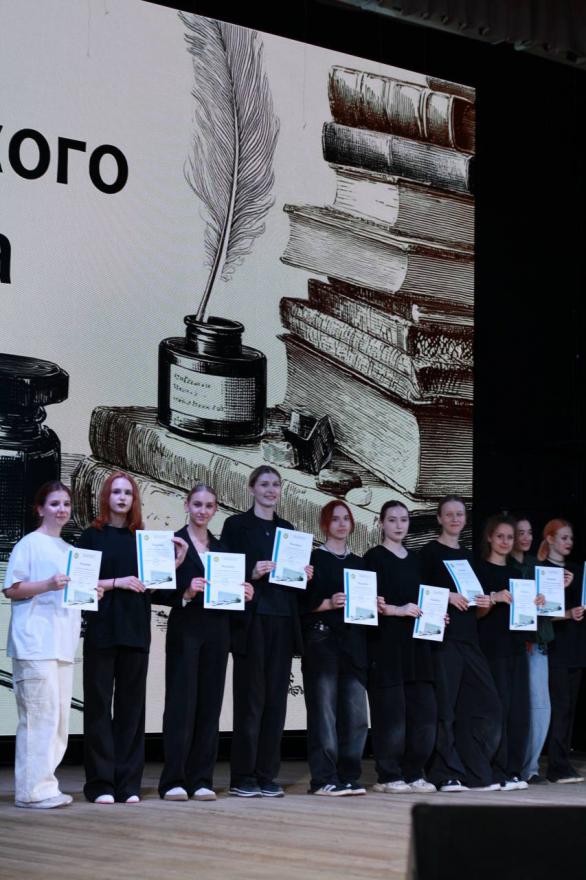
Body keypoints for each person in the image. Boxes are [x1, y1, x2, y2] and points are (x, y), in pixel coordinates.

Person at [78, 470, 186, 804]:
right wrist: (116, 583)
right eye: (116, 492)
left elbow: (152, 588)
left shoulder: (143, 540)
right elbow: (80, 584)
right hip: (101, 631)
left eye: (127, 493)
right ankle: (100, 784)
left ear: (134, 500)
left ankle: (127, 784)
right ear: (106, 497)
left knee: (132, 711)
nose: (122, 498)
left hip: (135, 632)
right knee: (98, 709)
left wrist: (176, 563)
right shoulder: (91, 537)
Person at [220, 466, 313, 798]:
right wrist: (251, 571)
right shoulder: (236, 526)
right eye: (264, 484)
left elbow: (295, 585)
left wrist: (304, 574)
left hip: (283, 621)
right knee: (250, 700)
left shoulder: (288, 531)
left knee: (276, 701)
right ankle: (243, 775)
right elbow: (224, 572)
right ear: (251, 488)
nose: (270, 490)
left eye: (275, 484)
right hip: (252, 622)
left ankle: (266, 774)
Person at [158, 483, 253, 802]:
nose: (202, 511)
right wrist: (185, 592)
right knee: (180, 704)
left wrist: (245, 593)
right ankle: (173, 780)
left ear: (215, 510)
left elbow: (231, 592)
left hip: (217, 630)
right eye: (197, 504)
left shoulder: (223, 549)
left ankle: (201, 779)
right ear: (187, 505)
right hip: (186, 628)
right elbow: (155, 590)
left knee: (210, 705)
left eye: (209, 506)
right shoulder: (173, 543)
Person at [3, 482, 90, 809]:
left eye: (66, 503)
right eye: (54, 503)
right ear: (40, 509)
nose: (61, 509)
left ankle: (45, 785)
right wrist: (47, 584)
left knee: (57, 720)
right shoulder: (29, 544)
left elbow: (72, 593)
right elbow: (12, 589)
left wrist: (89, 593)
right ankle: (31, 791)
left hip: (62, 644)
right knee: (39, 717)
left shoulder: (70, 550)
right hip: (34, 643)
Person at [420, 495, 502, 792]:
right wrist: (447, 596)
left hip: (470, 640)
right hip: (444, 641)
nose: (455, 519)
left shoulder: (468, 557)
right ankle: (444, 773)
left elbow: (476, 608)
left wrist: (486, 604)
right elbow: (419, 593)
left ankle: (475, 770)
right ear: (439, 519)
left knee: (486, 705)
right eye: (449, 514)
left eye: (460, 514)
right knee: (446, 709)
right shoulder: (429, 553)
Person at [364, 501, 437, 795]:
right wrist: (398, 610)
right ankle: (388, 775)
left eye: (403, 520)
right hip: (387, 647)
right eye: (392, 519)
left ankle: (414, 772)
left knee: (423, 715)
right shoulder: (373, 558)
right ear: (381, 523)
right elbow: (366, 604)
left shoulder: (417, 561)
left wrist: (435, 617)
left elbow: (425, 599)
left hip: (418, 648)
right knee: (391, 715)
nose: (398, 525)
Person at [300, 500, 368, 796]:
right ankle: (324, 779)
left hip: (354, 642)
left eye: (346, 519)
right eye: (335, 519)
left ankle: (349, 775)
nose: (341, 524)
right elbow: (300, 604)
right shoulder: (313, 559)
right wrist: (328, 603)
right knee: (324, 713)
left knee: (356, 714)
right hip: (322, 640)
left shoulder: (360, 564)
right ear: (324, 524)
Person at [476, 514, 534, 791]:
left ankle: (513, 770)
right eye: (500, 536)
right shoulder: (479, 570)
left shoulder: (517, 574)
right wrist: (494, 598)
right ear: (489, 537)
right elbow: (477, 613)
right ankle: (495, 769)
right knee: (498, 709)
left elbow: (525, 616)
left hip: (516, 648)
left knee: (519, 710)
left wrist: (535, 603)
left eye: (510, 537)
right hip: (492, 649)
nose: (505, 541)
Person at [537, 519, 585, 784]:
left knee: (570, 708)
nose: (569, 543)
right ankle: (555, 765)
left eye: (571, 538)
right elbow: (542, 613)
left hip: (576, 647)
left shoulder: (577, 570)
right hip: (555, 647)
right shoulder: (541, 569)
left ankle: (563, 762)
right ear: (550, 539)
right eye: (564, 538)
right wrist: (567, 612)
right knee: (560, 706)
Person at [510, 517, 552, 784]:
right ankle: (520, 767)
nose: (526, 537)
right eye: (520, 532)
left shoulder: (538, 567)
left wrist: (558, 591)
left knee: (540, 707)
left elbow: (550, 610)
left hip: (538, 643)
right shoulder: (506, 567)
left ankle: (531, 766)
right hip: (516, 645)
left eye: (529, 532)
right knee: (523, 706)